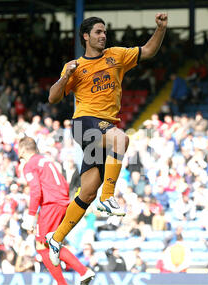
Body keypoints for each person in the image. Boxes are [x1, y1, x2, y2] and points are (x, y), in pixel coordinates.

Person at [47, 13, 168, 266]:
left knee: (87, 192)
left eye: (104, 32)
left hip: (104, 126)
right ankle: (108, 198)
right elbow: (53, 98)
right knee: (121, 140)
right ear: (86, 36)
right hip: (85, 123)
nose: (103, 36)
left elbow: (148, 51)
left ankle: (56, 239)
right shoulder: (75, 66)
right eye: (98, 32)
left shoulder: (117, 55)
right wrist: (65, 76)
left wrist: (160, 29)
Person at [18, 137, 95, 285]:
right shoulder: (46, 161)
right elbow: (63, 183)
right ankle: (81, 273)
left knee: (42, 245)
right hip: (61, 202)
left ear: (23, 149)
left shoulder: (30, 165)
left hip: (51, 205)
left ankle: (66, 282)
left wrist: (31, 216)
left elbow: (35, 191)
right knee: (51, 242)